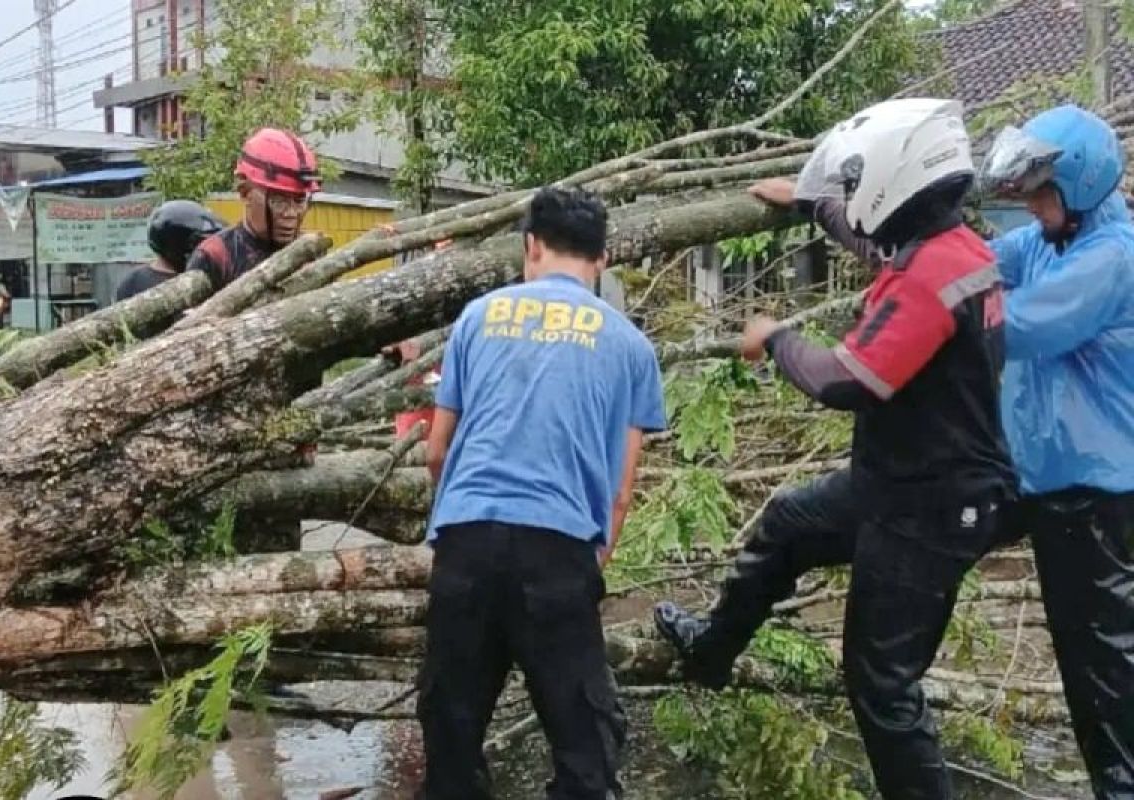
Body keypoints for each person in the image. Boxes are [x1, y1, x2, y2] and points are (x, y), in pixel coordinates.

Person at [653, 98, 1016, 800]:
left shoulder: (931, 279)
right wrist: (809, 206)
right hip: (900, 483)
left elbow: (845, 380)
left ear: (896, 180)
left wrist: (777, 338)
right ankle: (711, 652)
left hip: (933, 510)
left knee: (882, 683)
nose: (855, 201)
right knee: (787, 523)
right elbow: (875, 243)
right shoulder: (955, 246)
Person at [418, 187, 667, 800]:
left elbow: (435, 452)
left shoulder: (478, 317)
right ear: (601, 261)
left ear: (530, 246)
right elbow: (619, 493)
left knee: (451, 734)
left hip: (467, 539)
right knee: (585, 746)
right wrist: (589, 566)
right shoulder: (630, 345)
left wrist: (461, 526)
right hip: (559, 550)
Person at [978, 104, 1134, 797]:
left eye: (1041, 192)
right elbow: (978, 261)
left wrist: (923, 315)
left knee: (1104, 668)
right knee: (1088, 661)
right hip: (1043, 476)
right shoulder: (1047, 240)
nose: (1031, 205)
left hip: (1098, 489)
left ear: (1080, 186)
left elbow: (1018, 326)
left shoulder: (1111, 256)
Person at [186, 127, 320, 291]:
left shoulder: (312, 252)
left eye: (299, 201)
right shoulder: (215, 257)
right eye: (278, 201)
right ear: (245, 193)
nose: (290, 214)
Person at [114, 200, 223, 302]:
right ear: (181, 245)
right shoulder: (135, 283)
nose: (206, 250)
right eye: (201, 243)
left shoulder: (132, 281)